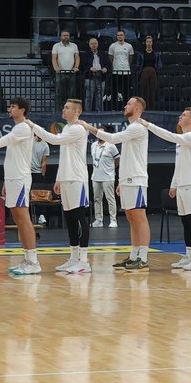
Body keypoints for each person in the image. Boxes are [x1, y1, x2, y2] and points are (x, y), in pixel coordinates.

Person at [82, 96, 152, 270]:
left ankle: (143, 258)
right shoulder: (131, 127)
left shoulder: (137, 127)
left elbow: (112, 138)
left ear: (137, 109)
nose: (125, 106)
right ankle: (133, 255)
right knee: (131, 218)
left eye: (129, 103)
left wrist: (89, 127)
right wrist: (121, 181)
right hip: (128, 178)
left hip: (136, 178)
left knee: (139, 218)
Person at [0, 96, 41, 275]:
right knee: (18, 218)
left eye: (13, 106)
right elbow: (12, 156)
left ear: (22, 110)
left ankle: (33, 261)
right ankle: (27, 259)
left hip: (20, 177)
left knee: (23, 217)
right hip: (12, 178)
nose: (9, 109)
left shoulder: (23, 127)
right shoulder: (18, 128)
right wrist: (6, 180)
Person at [31, 100, 92, 273]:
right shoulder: (67, 128)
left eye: (67, 108)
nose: (63, 110)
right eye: (64, 106)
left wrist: (32, 125)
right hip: (66, 178)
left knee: (79, 218)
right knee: (70, 219)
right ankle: (73, 258)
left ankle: (84, 260)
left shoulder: (77, 129)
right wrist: (58, 178)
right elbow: (64, 157)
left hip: (76, 179)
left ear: (76, 111)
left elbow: (53, 140)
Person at [143, 107, 191, 269]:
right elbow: (179, 165)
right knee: (186, 222)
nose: (180, 116)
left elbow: (169, 136)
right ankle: (189, 255)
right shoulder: (182, 140)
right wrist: (174, 184)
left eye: (184, 115)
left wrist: (149, 125)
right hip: (182, 185)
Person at [89, 125, 119, 227]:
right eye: (98, 132)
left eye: (102, 133)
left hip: (108, 177)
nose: (100, 135)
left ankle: (113, 220)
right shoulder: (93, 145)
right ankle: (98, 220)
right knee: (97, 199)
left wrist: (111, 169)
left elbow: (117, 159)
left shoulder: (111, 146)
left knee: (110, 198)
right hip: (95, 176)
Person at [51, 30, 80, 113]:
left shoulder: (74, 46)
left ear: (69, 36)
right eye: (64, 35)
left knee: (71, 94)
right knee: (58, 93)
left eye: (67, 35)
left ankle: (71, 111)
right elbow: (54, 58)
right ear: (61, 36)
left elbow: (77, 57)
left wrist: (76, 67)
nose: (65, 37)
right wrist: (56, 67)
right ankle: (58, 111)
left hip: (71, 73)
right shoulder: (56, 46)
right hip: (60, 73)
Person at [107, 30, 134, 107]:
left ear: (124, 36)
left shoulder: (129, 46)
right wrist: (115, 65)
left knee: (126, 91)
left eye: (121, 35)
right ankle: (114, 107)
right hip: (115, 72)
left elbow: (131, 57)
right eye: (118, 35)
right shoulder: (112, 46)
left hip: (126, 72)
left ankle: (126, 107)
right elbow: (110, 57)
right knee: (114, 90)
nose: (120, 37)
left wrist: (126, 65)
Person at [82, 36, 108, 112]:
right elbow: (83, 65)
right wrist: (90, 68)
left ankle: (99, 114)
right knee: (89, 97)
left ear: (98, 44)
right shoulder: (86, 54)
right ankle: (88, 114)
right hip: (90, 77)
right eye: (92, 43)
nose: (94, 45)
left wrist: (105, 68)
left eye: (95, 43)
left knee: (100, 97)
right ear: (89, 45)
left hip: (101, 76)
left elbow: (108, 64)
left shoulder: (102, 53)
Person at [136, 35, 161, 109]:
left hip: (153, 72)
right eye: (147, 42)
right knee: (144, 91)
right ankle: (144, 107)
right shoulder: (141, 54)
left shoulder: (156, 54)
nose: (149, 43)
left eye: (150, 42)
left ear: (152, 43)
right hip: (144, 72)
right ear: (145, 43)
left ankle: (152, 108)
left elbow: (159, 64)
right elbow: (138, 64)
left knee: (152, 91)